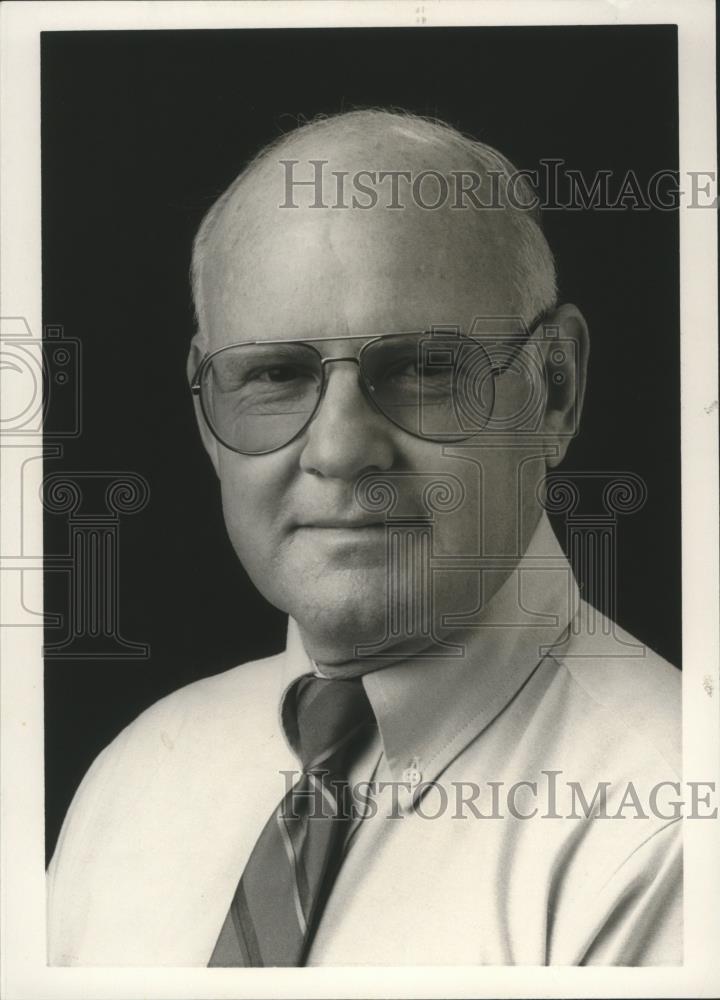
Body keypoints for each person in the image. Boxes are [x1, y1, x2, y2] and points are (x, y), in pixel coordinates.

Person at [47, 109, 681, 967]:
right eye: (273, 375)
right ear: (205, 410)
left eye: (423, 368)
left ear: (555, 389)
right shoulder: (133, 781)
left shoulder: (668, 827)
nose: (341, 450)